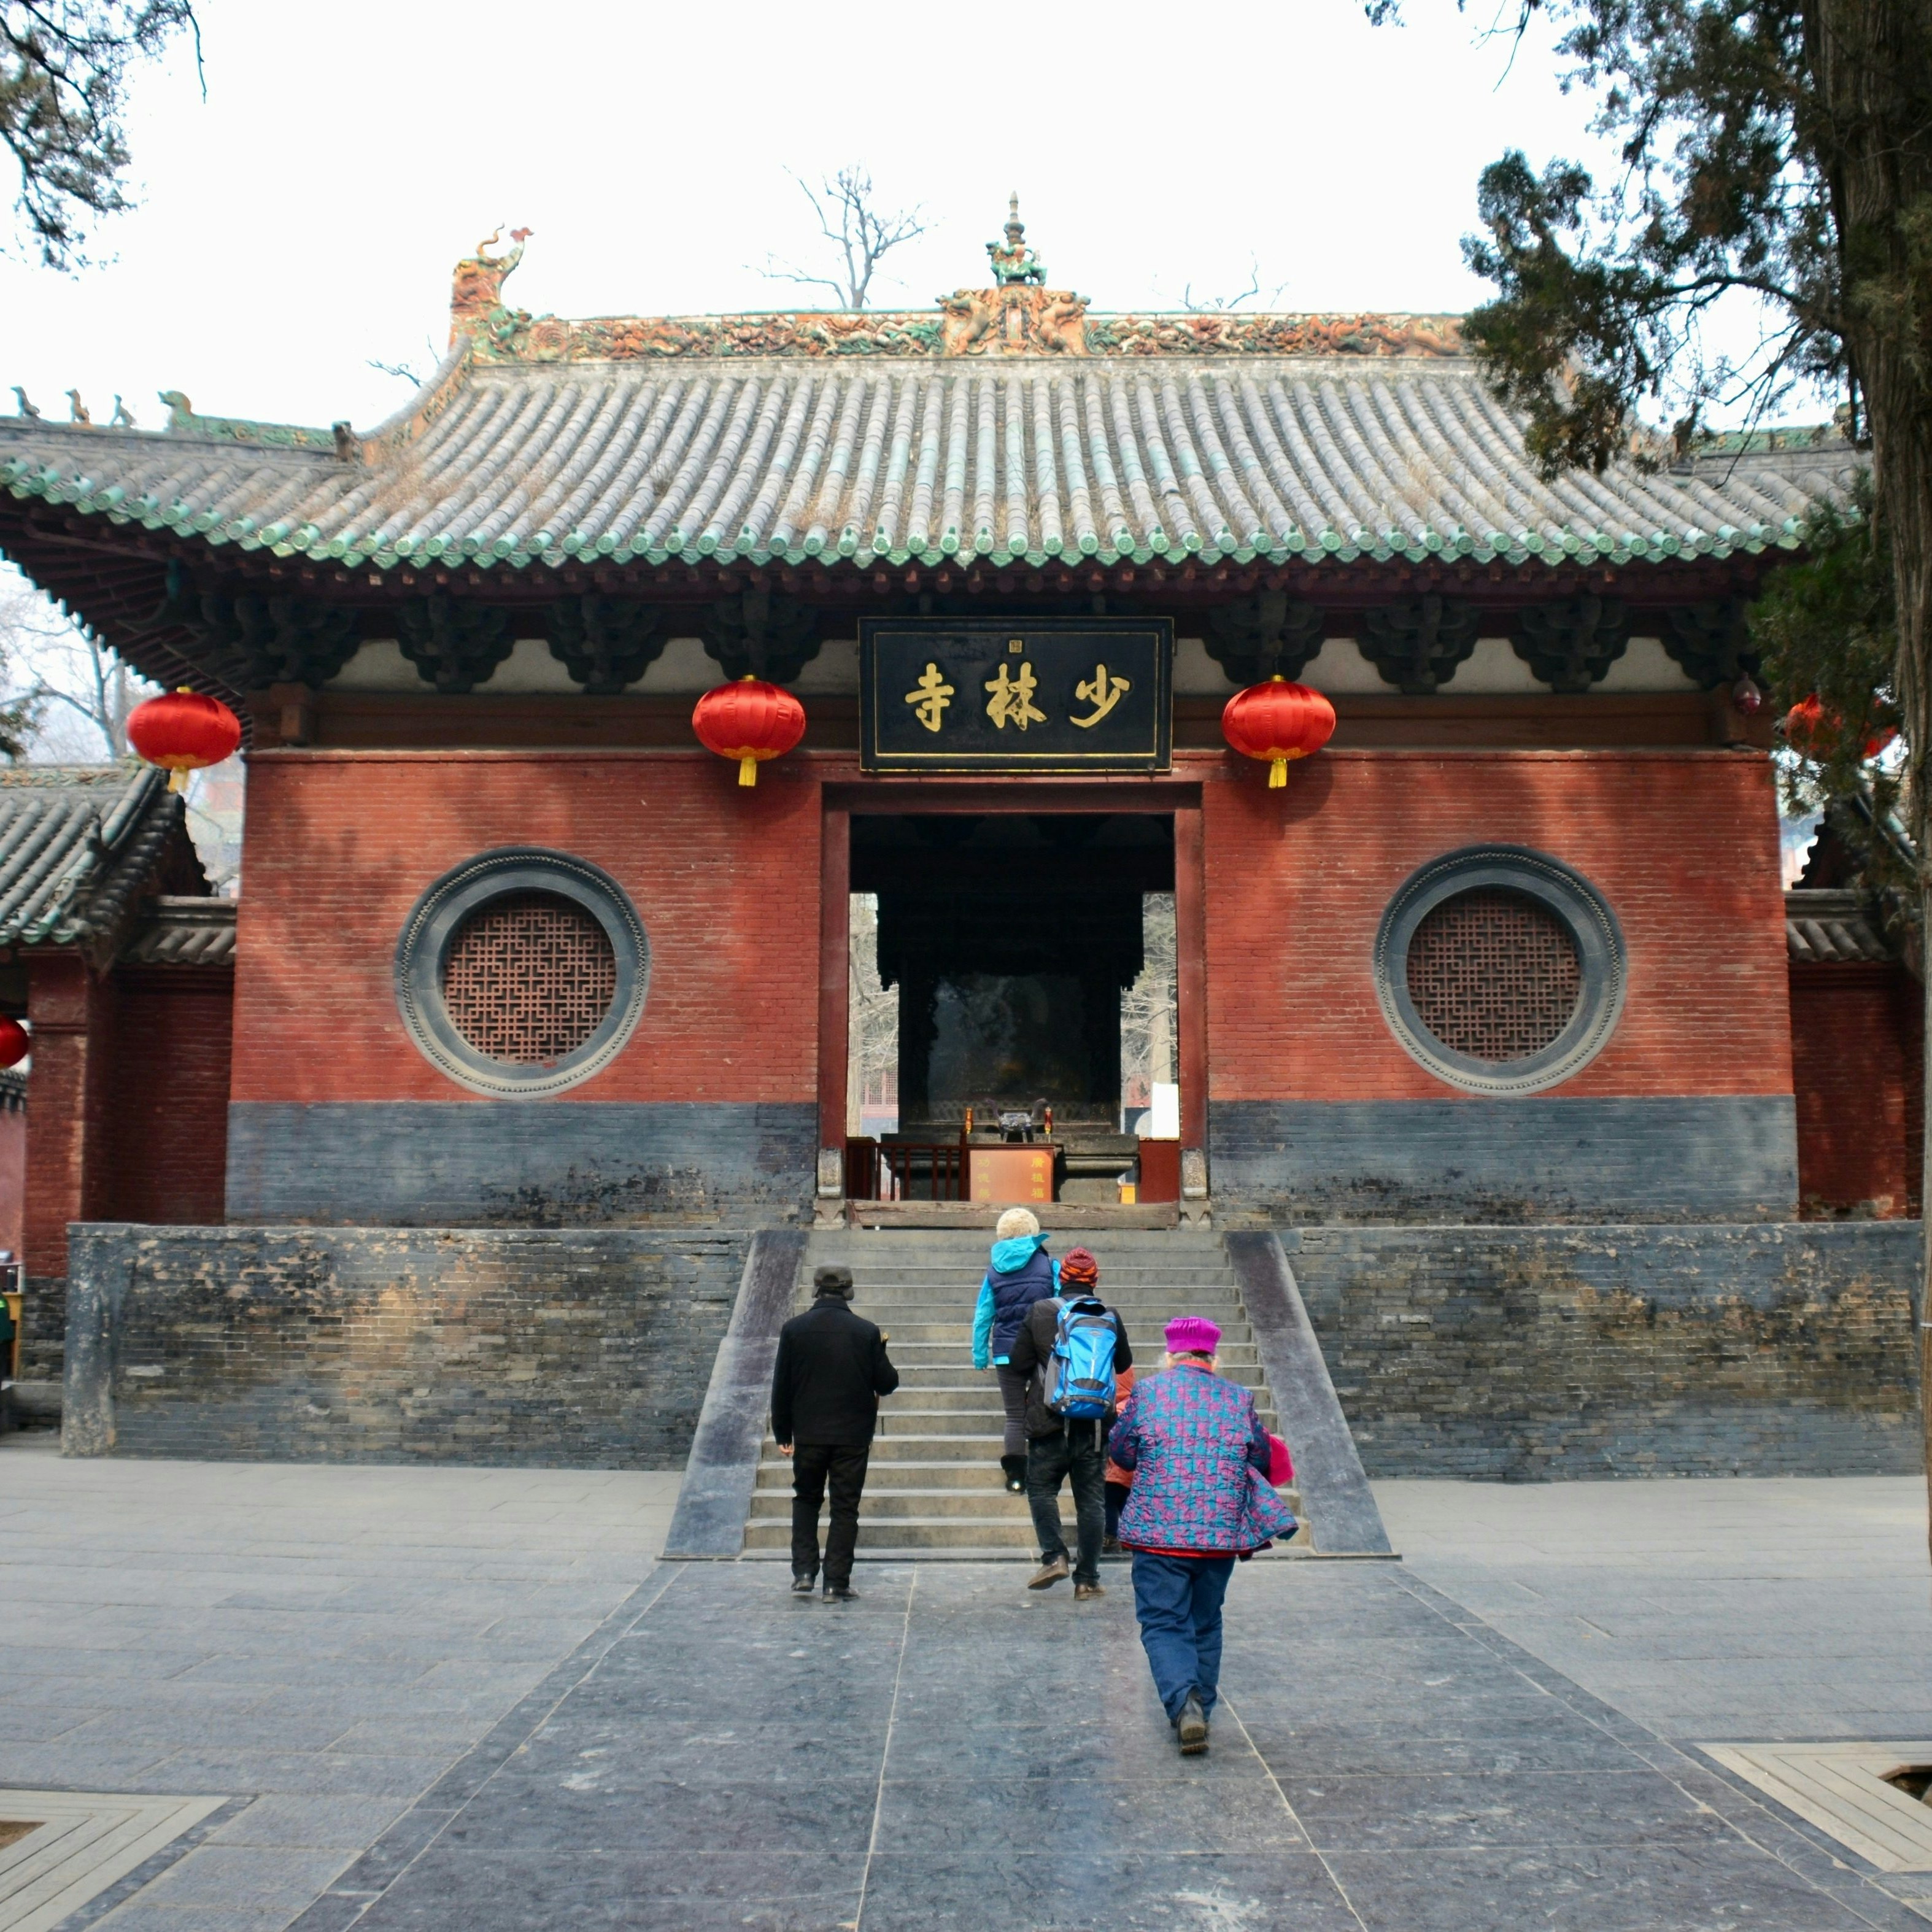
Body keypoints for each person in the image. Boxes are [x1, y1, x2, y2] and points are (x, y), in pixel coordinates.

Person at [1108, 1316, 1296, 1756]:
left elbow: (1122, 1452)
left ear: (1170, 1355)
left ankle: (1184, 1702)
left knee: (1162, 1620)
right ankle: (1202, 1709)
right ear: (1213, 1357)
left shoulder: (1149, 1393)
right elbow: (1261, 1456)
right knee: (1206, 1621)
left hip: (1158, 1532)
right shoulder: (1238, 1398)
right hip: (1219, 1535)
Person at [1006, 1246, 1130, 1599]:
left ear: (1061, 1278)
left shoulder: (1041, 1311)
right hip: (1092, 1426)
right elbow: (1123, 1365)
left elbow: (1017, 1363)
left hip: (1048, 1421)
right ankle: (1087, 1580)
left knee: (1042, 1490)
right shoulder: (1108, 1315)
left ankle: (1055, 1555)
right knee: (1091, 1502)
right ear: (1095, 1279)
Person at [771, 1265, 899, 1602]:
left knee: (806, 1500)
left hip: (809, 1434)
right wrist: (879, 1351)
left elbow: (781, 1386)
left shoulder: (794, 1330)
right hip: (852, 1436)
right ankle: (835, 1582)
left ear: (816, 1291)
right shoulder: (866, 1332)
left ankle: (803, 1573)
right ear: (848, 1291)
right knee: (845, 1508)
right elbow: (887, 1383)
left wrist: (783, 1432)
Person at [970, 1207, 1059, 1493]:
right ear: (1033, 1231)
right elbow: (1061, 1305)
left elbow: (984, 1314)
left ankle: (1015, 1477)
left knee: (1014, 1415)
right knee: (1043, 1409)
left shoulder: (994, 1270)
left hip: (1007, 1351)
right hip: (1041, 1351)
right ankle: (1042, 1471)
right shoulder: (1048, 1265)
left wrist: (979, 1353)